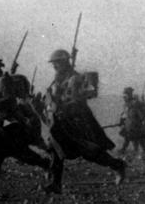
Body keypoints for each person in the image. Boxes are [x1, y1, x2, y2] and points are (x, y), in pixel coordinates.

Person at [42, 49, 127, 194]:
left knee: (90, 152)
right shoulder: (58, 80)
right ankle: (55, 183)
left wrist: (62, 104)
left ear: (65, 62)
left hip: (78, 122)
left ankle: (118, 165)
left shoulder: (75, 78)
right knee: (56, 146)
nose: (55, 66)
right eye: (54, 64)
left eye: (57, 63)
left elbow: (78, 101)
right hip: (62, 121)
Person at [0, 54, 50, 191]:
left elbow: (10, 99)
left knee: (19, 152)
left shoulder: (3, 81)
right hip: (0, 123)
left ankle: (45, 164)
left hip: (10, 123)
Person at [118, 86, 145, 158]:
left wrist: (144, 121)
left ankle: (143, 152)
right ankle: (125, 150)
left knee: (139, 139)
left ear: (130, 94)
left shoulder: (136, 103)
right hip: (129, 124)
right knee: (128, 138)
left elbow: (140, 114)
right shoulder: (126, 104)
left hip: (136, 125)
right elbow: (124, 113)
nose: (124, 97)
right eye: (124, 95)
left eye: (126, 95)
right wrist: (121, 121)